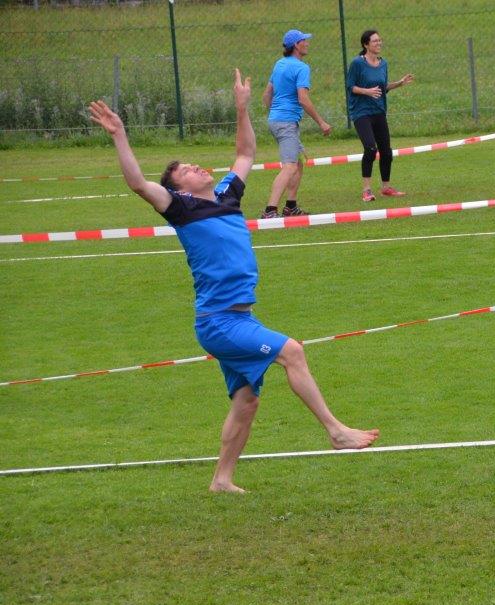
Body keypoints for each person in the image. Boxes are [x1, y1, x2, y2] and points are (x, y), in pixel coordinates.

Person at [88, 70, 378, 494]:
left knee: (246, 401)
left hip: (238, 317)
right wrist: (119, 135)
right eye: (185, 170)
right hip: (219, 322)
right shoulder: (180, 208)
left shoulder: (226, 196)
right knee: (292, 352)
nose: (194, 167)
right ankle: (336, 431)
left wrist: (242, 108)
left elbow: (245, 152)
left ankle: (221, 480)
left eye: (192, 164)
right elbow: (137, 183)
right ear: (180, 189)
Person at [261, 29, 332, 219]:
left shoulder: (279, 64)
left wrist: (276, 113)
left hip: (276, 120)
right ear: (295, 45)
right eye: (304, 40)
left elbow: (267, 95)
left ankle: (291, 207)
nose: (307, 43)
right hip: (286, 122)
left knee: (297, 165)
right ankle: (270, 210)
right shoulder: (302, 68)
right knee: (290, 167)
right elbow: (303, 99)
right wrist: (321, 122)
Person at [346, 29, 414, 203]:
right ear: (366, 44)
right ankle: (366, 190)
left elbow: (382, 87)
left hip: (379, 111)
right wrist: (366, 91)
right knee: (370, 148)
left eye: (380, 40)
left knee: (386, 151)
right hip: (361, 113)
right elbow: (350, 87)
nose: (379, 43)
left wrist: (399, 83)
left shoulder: (383, 63)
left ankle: (386, 188)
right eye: (375, 41)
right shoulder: (357, 63)